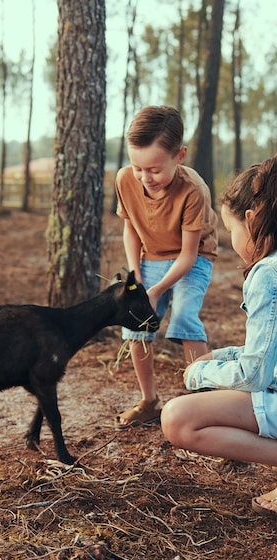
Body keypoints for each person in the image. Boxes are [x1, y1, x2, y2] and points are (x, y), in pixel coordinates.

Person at [160, 157, 277, 517]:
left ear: (253, 220)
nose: (232, 239)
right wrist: (221, 355)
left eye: (231, 229)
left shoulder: (267, 274)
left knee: (178, 418)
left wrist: (200, 374)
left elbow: (255, 373)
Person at [115, 105, 218, 429]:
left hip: (194, 256)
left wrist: (158, 291)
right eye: (138, 168)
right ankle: (149, 401)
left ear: (180, 156)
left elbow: (187, 254)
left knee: (185, 317)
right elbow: (130, 227)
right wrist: (138, 275)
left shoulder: (193, 190)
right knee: (137, 323)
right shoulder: (125, 180)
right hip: (151, 256)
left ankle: (206, 404)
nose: (146, 178)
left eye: (155, 170)